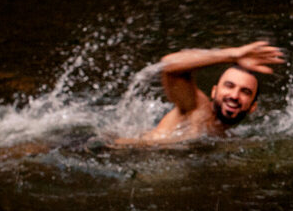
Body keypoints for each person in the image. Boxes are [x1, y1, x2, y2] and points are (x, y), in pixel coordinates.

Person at [114, 41, 284, 145]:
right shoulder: (198, 108)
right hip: (111, 152)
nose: (234, 95)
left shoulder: (226, 136)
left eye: (245, 92)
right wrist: (232, 55)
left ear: (253, 106)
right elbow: (168, 65)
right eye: (229, 86)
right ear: (214, 91)